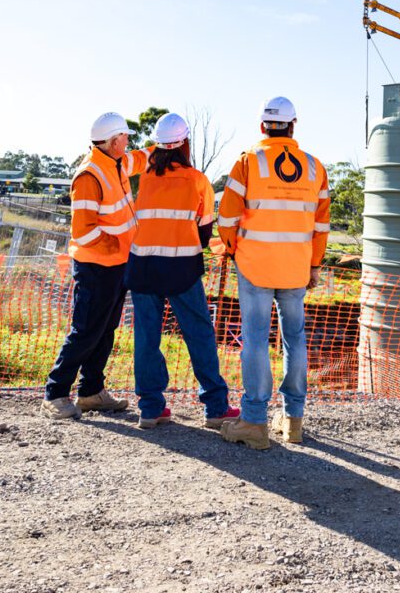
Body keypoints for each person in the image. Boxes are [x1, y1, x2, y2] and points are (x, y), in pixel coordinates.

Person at [217, 97, 330, 449]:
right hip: (295, 268)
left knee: (254, 340)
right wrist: (313, 264)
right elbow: (321, 225)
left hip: (255, 265)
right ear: (293, 125)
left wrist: (233, 248)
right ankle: (293, 419)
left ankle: (253, 420)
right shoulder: (315, 167)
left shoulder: (249, 162)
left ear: (262, 125)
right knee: (294, 339)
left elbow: (226, 218)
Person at [126, 112, 239, 430]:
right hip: (181, 266)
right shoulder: (198, 180)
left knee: (146, 336)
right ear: (185, 142)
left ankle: (150, 407)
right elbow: (204, 234)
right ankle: (215, 407)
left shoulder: (145, 177)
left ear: (156, 146)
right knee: (199, 333)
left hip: (143, 264)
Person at [42, 112, 151, 420]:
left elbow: (141, 159)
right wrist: (115, 244)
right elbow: (83, 232)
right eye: (125, 138)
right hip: (96, 266)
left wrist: (168, 144)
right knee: (86, 331)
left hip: (117, 265)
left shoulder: (117, 163)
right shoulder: (90, 175)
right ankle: (55, 393)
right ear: (113, 141)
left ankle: (91, 392)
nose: (129, 142)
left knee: (105, 330)